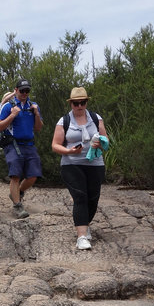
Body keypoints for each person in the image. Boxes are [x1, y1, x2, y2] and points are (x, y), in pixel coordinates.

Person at [51, 87, 110, 250]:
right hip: (71, 163)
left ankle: (84, 224)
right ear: (71, 104)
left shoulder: (95, 118)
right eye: (76, 103)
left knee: (93, 198)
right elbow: (55, 145)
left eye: (82, 103)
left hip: (95, 163)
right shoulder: (64, 121)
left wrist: (100, 143)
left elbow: (106, 139)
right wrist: (69, 151)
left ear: (86, 102)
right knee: (80, 197)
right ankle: (82, 236)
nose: (79, 106)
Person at [0, 78, 43, 218]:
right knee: (15, 175)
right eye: (22, 90)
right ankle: (17, 206)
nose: (24, 93)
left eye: (27, 91)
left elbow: (38, 128)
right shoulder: (8, 106)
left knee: (34, 175)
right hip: (13, 145)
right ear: (16, 91)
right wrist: (13, 114)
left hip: (29, 145)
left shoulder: (33, 106)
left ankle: (17, 193)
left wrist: (37, 114)